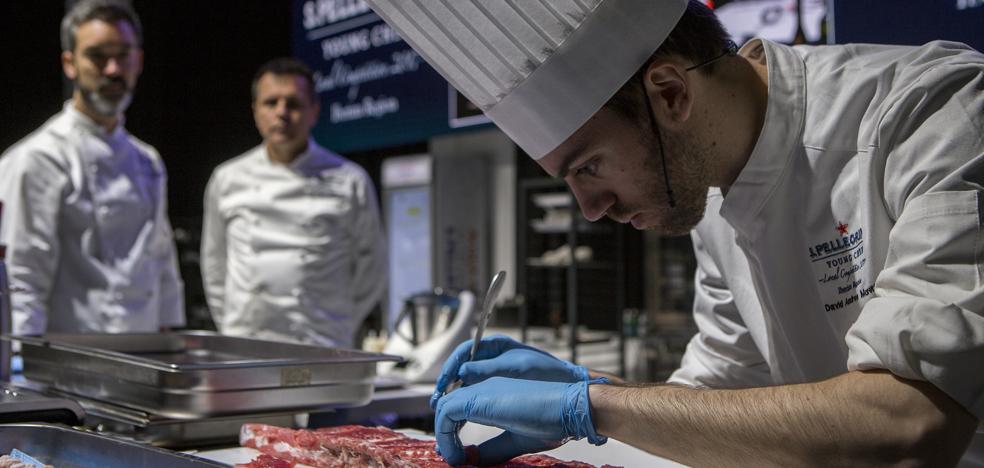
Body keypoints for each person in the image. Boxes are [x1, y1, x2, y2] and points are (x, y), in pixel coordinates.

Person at [365, 0, 984, 466]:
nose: (588, 208)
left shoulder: (935, 112)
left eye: (588, 166)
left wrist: (593, 406)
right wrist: (594, 391)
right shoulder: (711, 190)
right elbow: (717, 393)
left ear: (669, 93)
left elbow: (910, 425)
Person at [0, 0, 184, 334]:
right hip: (67, 369)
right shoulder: (38, 157)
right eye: (97, 56)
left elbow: (161, 264)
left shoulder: (148, 161)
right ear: (70, 64)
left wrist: (172, 342)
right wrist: (17, 366)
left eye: (123, 55)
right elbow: (22, 275)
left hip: (143, 361)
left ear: (138, 61)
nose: (113, 69)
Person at [200, 58, 386, 349]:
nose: (282, 113)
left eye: (294, 104)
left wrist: (339, 322)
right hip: (246, 343)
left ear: (314, 111)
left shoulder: (350, 180)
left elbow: (372, 267)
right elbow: (214, 265)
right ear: (255, 111)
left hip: (321, 343)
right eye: (271, 102)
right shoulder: (227, 178)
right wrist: (233, 323)